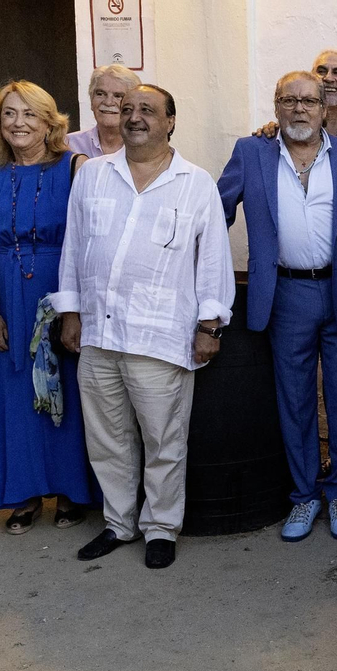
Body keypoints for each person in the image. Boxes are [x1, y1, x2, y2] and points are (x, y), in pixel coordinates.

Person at [53, 85, 235, 569]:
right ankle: (118, 523)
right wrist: (70, 313)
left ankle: (161, 528)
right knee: (107, 438)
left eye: (147, 111)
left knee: (164, 440)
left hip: (160, 335)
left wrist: (210, 326)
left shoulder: (195, 183)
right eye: (127, 109)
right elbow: (74, 248)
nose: (134, 118)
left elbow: (213, 260)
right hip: (98, 333)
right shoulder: (92, 174)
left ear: (170, 121)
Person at [218, 71, 337, 542]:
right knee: (296, 399)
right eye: (290, 100)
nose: (300, 109)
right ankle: (305, 495)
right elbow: (213, 213)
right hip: (285, 294)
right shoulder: (251, 152)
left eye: (310, 100)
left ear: (325, 107)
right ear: (276, 106)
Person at [0, 81, 98, 534]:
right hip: (6, 294)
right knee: (15, 393)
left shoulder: (77, 166)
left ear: (50, 122)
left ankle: (69, 491)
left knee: (68, 387)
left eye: (29, 114)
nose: (18, 123)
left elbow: (89, 242)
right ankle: (22, 494)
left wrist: (75, 307)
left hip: (60, 290)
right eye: (9, 114)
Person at [66, 65, 142, 158]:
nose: (108, 102)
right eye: (100, 94)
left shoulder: (144, 147)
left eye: (118, 96)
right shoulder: (68, 145)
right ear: (91, 101)